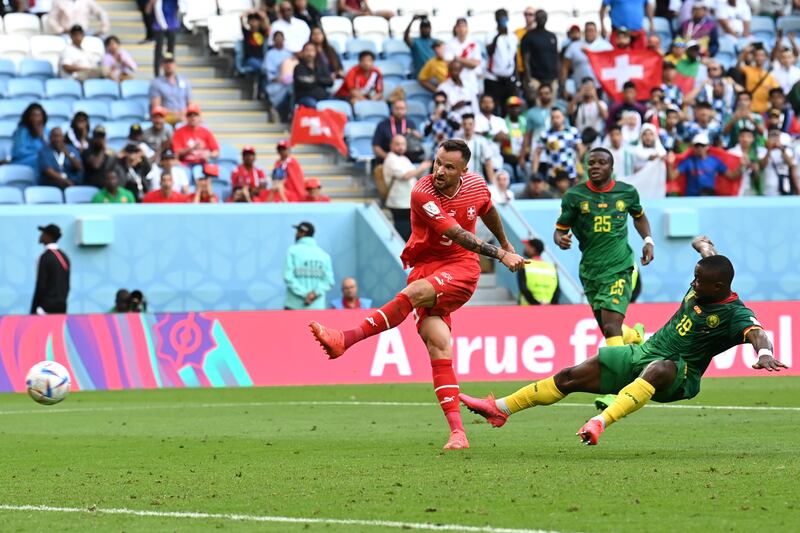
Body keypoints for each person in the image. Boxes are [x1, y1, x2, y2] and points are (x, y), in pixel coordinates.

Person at [460, 238, 786, 446]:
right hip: (644, 352)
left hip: (680, 375)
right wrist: (702, 246)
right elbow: (712, 256)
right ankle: (499, 408)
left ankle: (599, 422)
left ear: (718, 288)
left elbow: (758, 333)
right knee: (569, 376)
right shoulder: (709, 277)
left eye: (698, 281)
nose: (692, 282)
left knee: (660, 368)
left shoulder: (735, 313)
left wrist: (765, 352)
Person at [309, 140, 527, 450]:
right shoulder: (422, 192)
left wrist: (506, 244)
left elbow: (488, 210)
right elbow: (456, 234)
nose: (439, 170)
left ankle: (345, 339)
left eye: (449, 167)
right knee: (438, 345)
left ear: (464, 170)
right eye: (438, 162)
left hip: (462, 269)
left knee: (415, 293)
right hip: (427, 266)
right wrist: (500, 254)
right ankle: (458, 433)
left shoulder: (477, 185)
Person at [554, 148, 653, 367]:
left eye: (601, 163)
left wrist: (648, 240)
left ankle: (619, 385)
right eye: (591, 163)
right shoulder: (574, 196)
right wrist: (560, 239)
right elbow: (560, 229)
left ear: (611, 167)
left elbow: (639, 216)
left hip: (619, 267)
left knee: (610, 327)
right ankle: (635, 337)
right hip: (590, 271)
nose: (595, 167)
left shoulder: (626, 192)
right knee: (610, 331)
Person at [383, 134, 432, 240]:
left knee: (410, 234)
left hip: (408, 202)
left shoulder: (404, 158)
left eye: (403, 144)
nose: (401, 147)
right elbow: (406, 176)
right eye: (397, 144)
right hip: (399, 204)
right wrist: (422, 167)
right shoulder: (391, 159)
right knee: (402, 234)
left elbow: (413, 175)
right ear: (391, 145)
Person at [668, 133, 746, 196]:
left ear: (707, 147)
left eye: (702, 145)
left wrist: (741, 165)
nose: (699, 148)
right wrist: (670, 164)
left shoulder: (715, 161)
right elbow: (672, 177)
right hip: (691, 199)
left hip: (708, 198)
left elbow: (732, 176)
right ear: (693, 147)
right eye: (697, 146)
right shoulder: (688, 162)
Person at [284, 221, 334, 310]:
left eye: (297, 231)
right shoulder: (324, 255)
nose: (296, 234)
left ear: (302, 233)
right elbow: (329, 281)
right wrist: (313, 294)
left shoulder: (292, 251)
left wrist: (304, 294)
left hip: (294, 306)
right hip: (317, 306)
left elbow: (288, 277)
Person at [531, 107, 584, 182]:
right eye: (553, 118)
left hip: (571, 172)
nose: (555, 120)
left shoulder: (573, 131)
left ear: (563, 118)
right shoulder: (545, 135)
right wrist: (534, 173)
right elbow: (537, 153)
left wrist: (577, 164)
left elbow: (581, 149)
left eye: (558, 117)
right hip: (553, 173)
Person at [484, 9, 519, 116]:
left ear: (507, 18)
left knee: (508, 109)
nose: (501, 19)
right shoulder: (490, 35)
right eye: (499, 16)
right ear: (495, 19)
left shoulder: (513, 37)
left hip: (509, 80)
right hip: (493, 79)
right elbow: (489, 52)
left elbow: (515, 58)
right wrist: (498, 36)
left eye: (504, 16)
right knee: (493, 109)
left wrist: (516, 77)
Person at [561, 22, 613, 92]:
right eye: (587, 30)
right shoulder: (574, 46)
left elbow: (612, 64)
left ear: (596, 32)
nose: (589, 33)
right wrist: (564, 86)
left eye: (591, 30)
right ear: (583, 32)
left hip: (600, 86)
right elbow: (565, 67)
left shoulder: (606, 46)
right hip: (579, 86)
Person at [31, 224, 71, 315]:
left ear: (48, 236)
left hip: (45, 308)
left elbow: (40, 285)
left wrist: (34, 309)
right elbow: (67, 285)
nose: (41, 236)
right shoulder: (64, 257)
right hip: (61, 306)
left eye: (43, 233)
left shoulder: (45, 257)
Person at [520, 11, 559, 101]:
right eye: (539, 17)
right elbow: (525, 60)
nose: (542, 19)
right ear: (535, 19)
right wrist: (529, 80)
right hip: (535, 78)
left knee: (551, 106)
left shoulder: (552, 36)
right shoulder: (528, 36)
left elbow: (556, 58)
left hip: (552, 78)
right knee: (536, 105)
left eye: (544, 17)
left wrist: (558, 77)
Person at [149, 54, 193, 126]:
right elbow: (156, 107)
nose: (169, 65)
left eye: (171, 62)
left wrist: (186, 113)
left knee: (199, 122)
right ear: (162, 65)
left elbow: (190, 103)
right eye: (166, 62)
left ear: (175, 65)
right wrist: (175, 115)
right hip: (166, 116)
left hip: (184, 116)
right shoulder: (156, 83)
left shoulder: (184, 82)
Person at [372, 100, 420, 165]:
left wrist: (418, 136)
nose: (399, 111)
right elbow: (376, 146)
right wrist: (389, 158)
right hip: (387, 161)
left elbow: (417, 142)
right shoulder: (382, 125)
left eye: (402, 109)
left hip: (407, 161)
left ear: (406, 110)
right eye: (397, 108)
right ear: (392, 109)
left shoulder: (410, 124)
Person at [737, 43, 780, 114]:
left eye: (762, 55)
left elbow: (776, 91)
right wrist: (745, 52)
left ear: (766, 58)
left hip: (764, 111)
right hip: (749, 109)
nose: (759, 58)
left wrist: (771, 91)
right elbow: (738, 67)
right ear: (754, 57)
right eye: (757, 55)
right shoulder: (748, 70)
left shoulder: (769, 76)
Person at [517, 238, 559, 305]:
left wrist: (537, 305)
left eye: (527, 246)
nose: (525, 248)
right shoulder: (551, 267)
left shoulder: (524, 265)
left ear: (534, 249)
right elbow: (557, 291)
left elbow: (523, 288)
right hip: (548, 309)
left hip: (527, 309)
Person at [264, 31, 294, 122]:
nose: (279, 40)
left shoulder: (289, 54)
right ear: (273, 40)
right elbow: (269, 73)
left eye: (281, 38)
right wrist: (279, 79)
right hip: (276, 82)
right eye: (277, 38)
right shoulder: (270, 54)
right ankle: (276, 109)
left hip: (290, 82)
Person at [759, 128, 799, 195]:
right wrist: (769, 150)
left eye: (776, 135)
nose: (774, 138)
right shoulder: (762, 151)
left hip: (784, 186)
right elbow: (762, 165)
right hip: (769, 188)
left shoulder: (786, 150)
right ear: (768, 137)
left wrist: (781, 149)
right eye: (772, 136)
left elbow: (790, 163)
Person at [293, 42, 333, 108]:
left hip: (323, 96)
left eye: (312, 50)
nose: (309, 53)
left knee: (335, 104)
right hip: (306, 97)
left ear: (315, 52)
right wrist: (321, 81)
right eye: (307, 50)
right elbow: (306, 84)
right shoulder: (299, 68)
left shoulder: (322, 66)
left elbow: (330, 82)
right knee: (313, 105)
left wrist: (314, 79)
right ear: (303, 53)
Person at [460, 114, 496, 184]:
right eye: (465, 124)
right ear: (462, 125)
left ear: (474, 125)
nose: (467, 127)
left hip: (477, 181)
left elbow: (488, 162)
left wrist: (493, 183)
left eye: (470, 124)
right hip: (460, 181)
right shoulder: (456, 141)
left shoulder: (482, 141)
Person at [148, 0, 180, 76]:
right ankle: (157, 73)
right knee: (159, 50)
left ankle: (170, 72)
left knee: (170, 51)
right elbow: (156, 10)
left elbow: (181, 7)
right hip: (159, 24)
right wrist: (163, 25)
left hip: (172, 23)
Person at [12, 103, 48, 169]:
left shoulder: (46, 130)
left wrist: (42, 137)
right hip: (24, 160)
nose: (35, 119)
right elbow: (19, 152)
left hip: (41, 159)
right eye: (33, 115)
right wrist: (39, 153)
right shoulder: (22, 131)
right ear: (28, 117)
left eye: (38, 116)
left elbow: (50, 149)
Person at [237, 11, 268, 75]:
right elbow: (241, 17)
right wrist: (248, 12)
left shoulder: (262, 32)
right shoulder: (247, 33)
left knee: (263, 67)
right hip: (250, 59)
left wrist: (256, 11)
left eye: (256, 20)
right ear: (248, 22)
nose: (254, 22)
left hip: (261, 58)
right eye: (251, 20)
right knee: (263, 68)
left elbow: (264, 18)